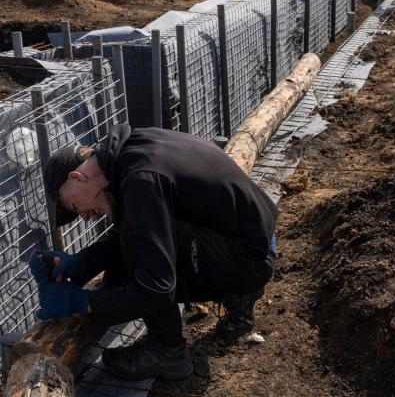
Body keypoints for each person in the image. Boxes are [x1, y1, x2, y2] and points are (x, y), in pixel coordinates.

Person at [28, 124, 277, 381]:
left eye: (73, 206)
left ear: (78, 177)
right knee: (137, 241)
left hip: (248, 258)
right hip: (256, 242)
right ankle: (240, 293)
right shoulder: (132, 150)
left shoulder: (140, 179)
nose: (83, 216)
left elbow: (155, 288)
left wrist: (80, 302)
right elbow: (140, 224)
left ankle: (168, 352)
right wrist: (83, 263)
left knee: (141, 259)